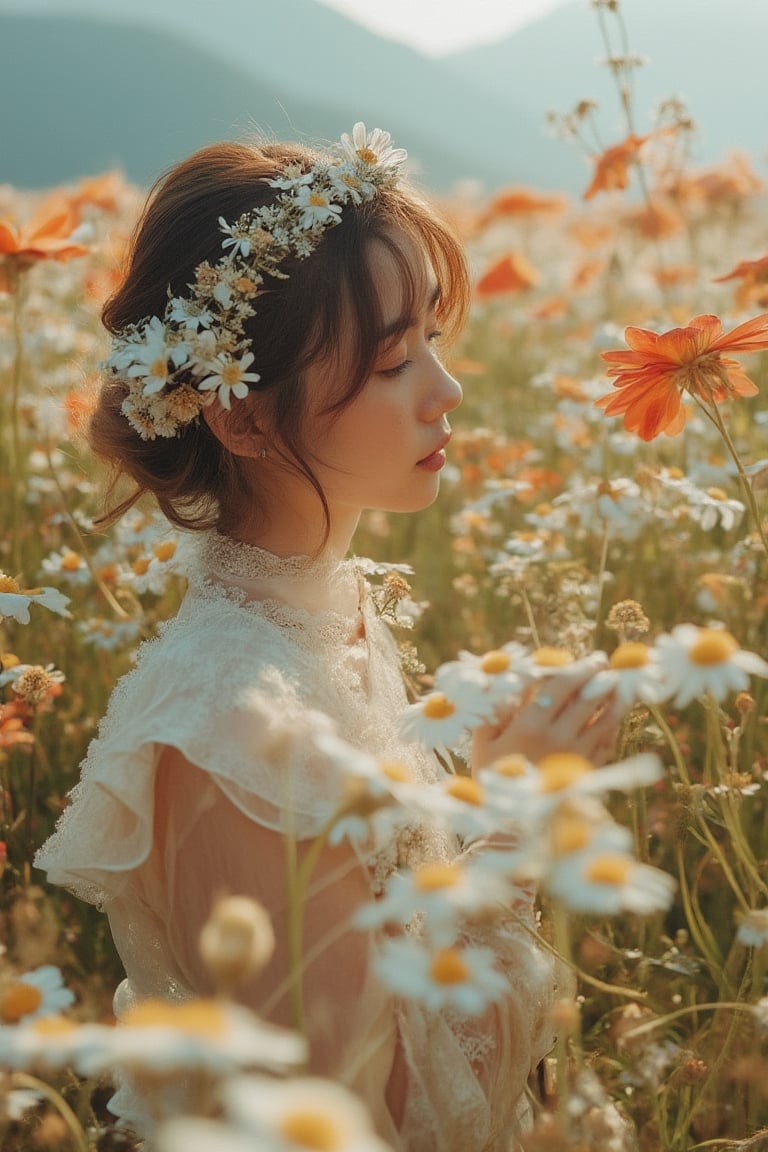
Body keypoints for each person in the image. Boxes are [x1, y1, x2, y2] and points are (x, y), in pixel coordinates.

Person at [35, 124, 622, 1150]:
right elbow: (363, 1118)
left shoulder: (328, 611)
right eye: (398, 360)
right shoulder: (227, 724)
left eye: (435, 338)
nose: (448, 390)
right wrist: (517, 824)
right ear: (245, 422)